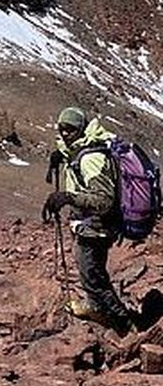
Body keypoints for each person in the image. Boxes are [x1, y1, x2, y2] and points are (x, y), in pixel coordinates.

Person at [42, 106, 136, 336]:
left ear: (81, 129)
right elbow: (72, 151)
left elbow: (104, 200)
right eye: (61, 128)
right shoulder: (82, 149)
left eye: (70, 129)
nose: (65, 133)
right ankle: (96, 306)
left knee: (92, 278)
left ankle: (125, 326)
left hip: (97, 227)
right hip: (90, 225)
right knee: (92, 272)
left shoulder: (91, 159)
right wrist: (60, 155)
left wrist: (68, 197)